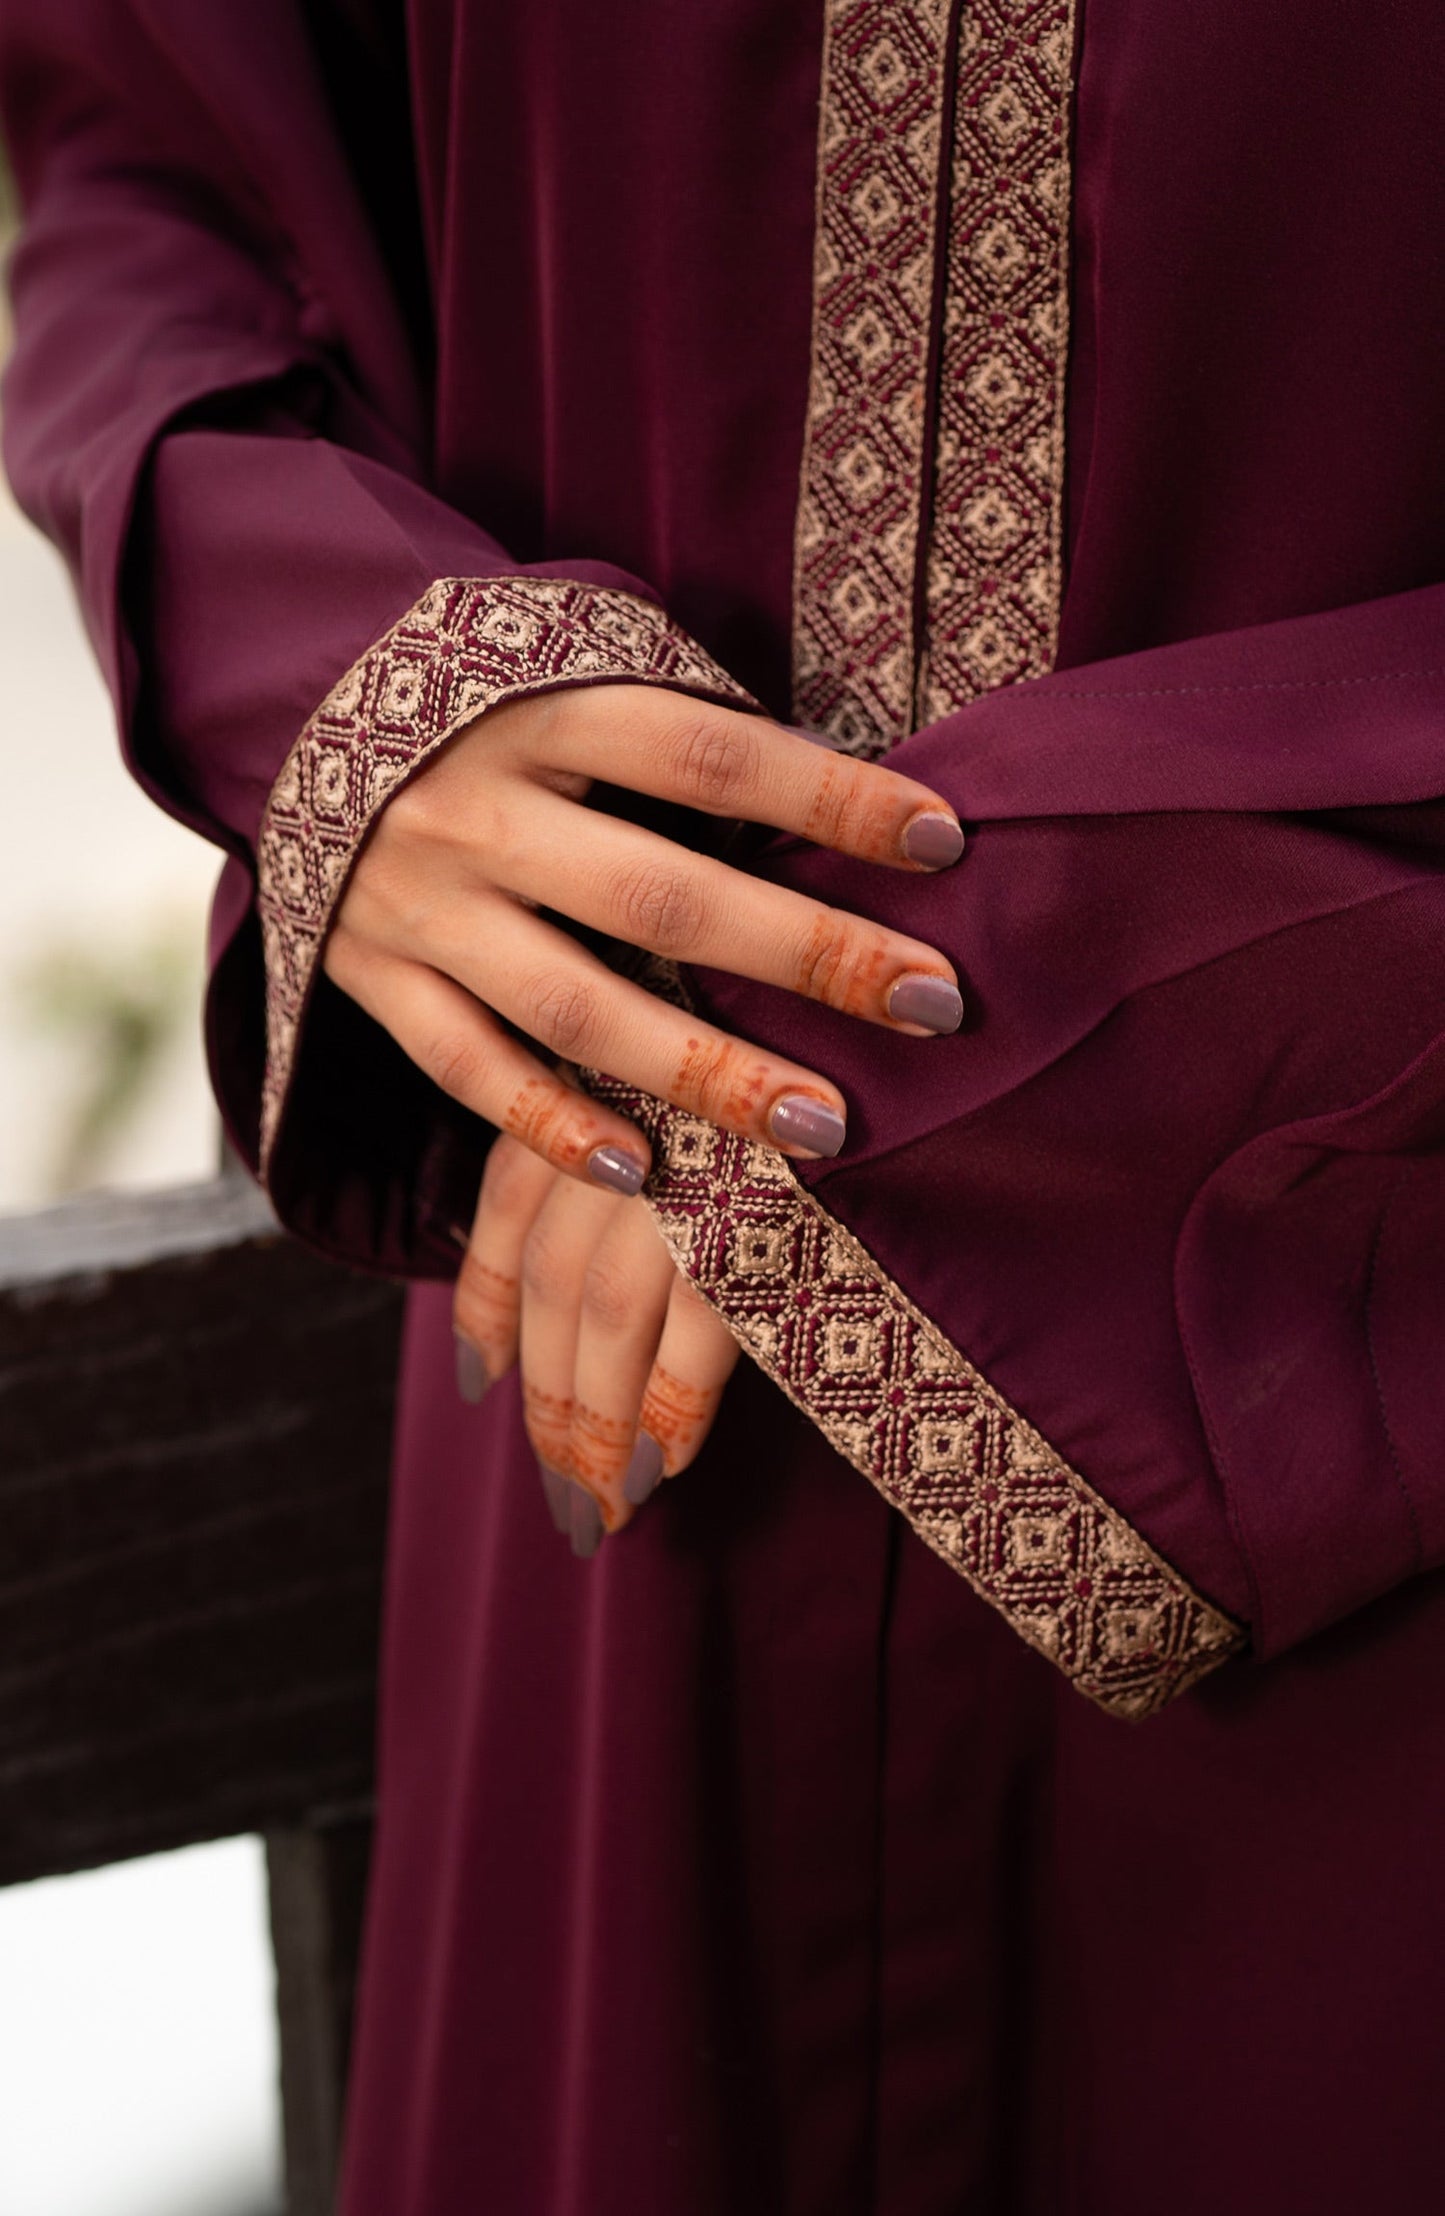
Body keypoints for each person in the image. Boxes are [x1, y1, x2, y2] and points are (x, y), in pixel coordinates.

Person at [3, 2, 1444, 2208]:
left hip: (1353, 1385)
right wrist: (368, 692)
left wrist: (896, 1043)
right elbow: (163, 158)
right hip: (620, 1503)